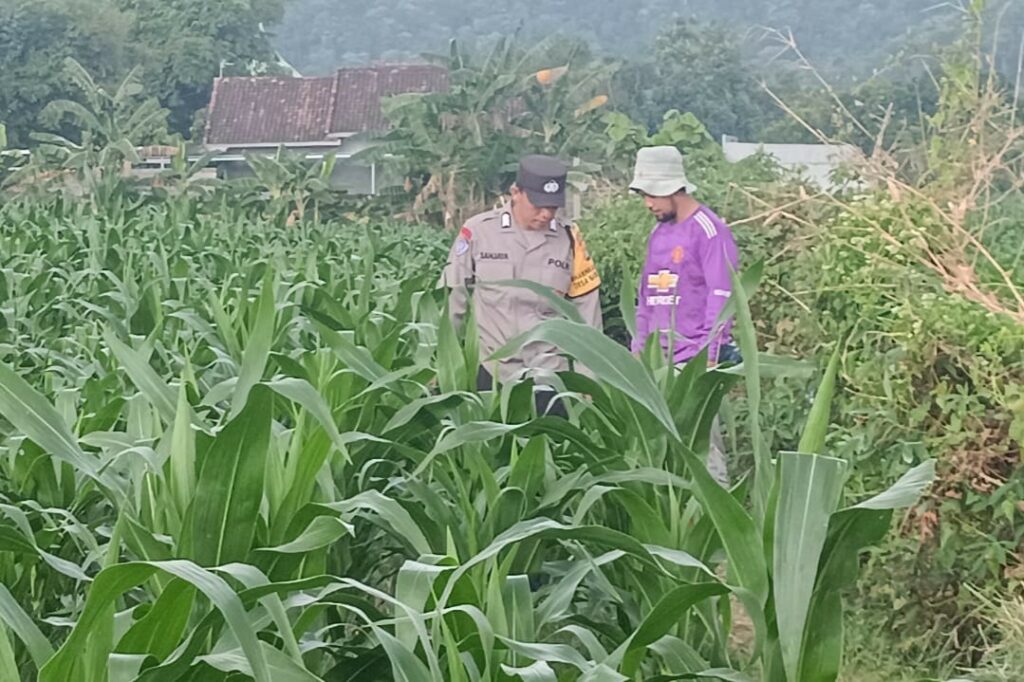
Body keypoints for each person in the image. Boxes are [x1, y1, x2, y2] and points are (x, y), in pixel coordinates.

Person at [439, 154, 603, 416]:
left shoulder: (569, 239)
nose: (546, 214)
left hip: (550, 375)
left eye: (553, 206)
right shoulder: (479, 232)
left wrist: (587, 377)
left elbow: (587, 311)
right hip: (493, 371)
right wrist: (440, 360)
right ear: (516, 193)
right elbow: (453, 298)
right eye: (538, 205)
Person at [628, 145, 740, 485]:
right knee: (660, 451)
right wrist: (638, 350)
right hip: (657, 364)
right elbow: (646, 299)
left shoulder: (709, 230)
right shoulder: (657, 234)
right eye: (644, 195)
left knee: (705, 448)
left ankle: (717, 509)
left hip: (693, 362)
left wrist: (707, 358)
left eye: (652, 194)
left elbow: (722, 298)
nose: (648, 203)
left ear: (673, 188)